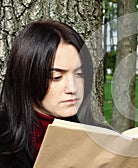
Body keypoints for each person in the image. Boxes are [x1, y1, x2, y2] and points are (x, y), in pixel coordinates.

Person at [0, 21, 106, 168]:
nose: (72, 88)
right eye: (56, 77)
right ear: (27, 77)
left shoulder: (103, 138)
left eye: (79, 74)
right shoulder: (5, 142)